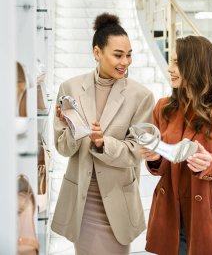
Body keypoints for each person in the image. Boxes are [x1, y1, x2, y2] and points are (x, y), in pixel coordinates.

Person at [51, 13, 155, 255]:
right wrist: (74, 128)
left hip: (119, 202)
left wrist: (102, 143)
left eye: (129, 55)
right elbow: (63, 149)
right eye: (118, 55)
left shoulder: (141, 96)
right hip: (82, 201)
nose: (125, 61)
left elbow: (136, 152)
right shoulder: (70, 88)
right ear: (97, 53)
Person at [140, 35, 212, 255]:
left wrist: (210, 163)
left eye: (177, 63)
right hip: (170, 214)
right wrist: (155, 157)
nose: (170, 68)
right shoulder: (163, 107)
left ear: (195, 64)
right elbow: (162, 165)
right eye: (171, 61)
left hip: (206, 214)